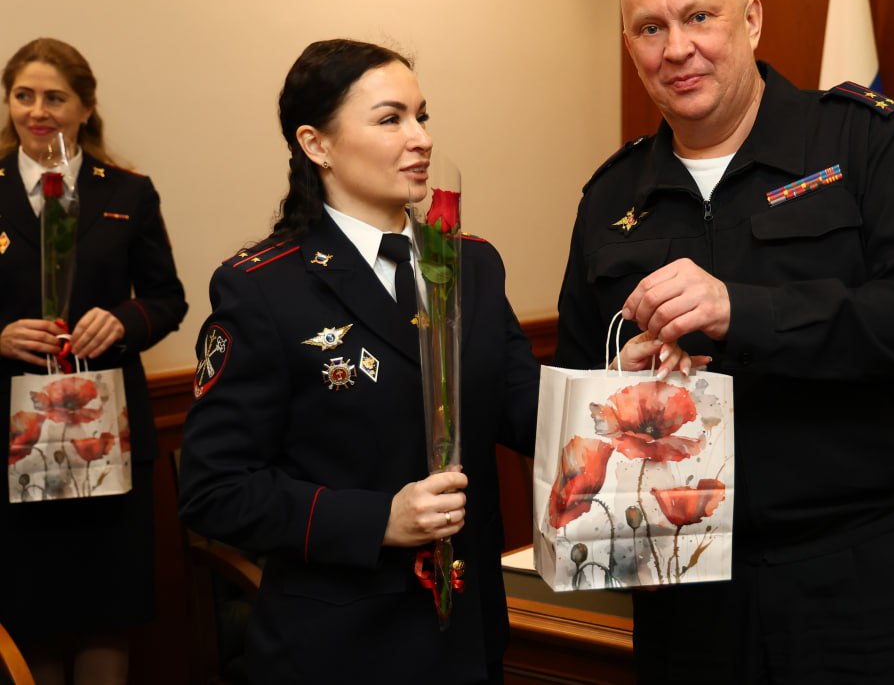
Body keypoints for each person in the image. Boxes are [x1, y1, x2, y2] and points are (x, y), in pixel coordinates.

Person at [554, 0, 894, 683]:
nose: (678, 48)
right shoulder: (610, 196)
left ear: (751, 20)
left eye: (700, 17)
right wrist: (619, 382)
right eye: (652, 28)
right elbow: (578, 383)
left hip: (853, 579)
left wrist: (743, 311)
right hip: (682, 591)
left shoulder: (859, 140)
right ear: (631, 47)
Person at [178, 39, 539, 684]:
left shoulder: (472, 264)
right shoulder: (264, 287)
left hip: (469, 634)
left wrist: (620, 383)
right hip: (340, 647)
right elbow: (215, 491)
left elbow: (526, 411)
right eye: (390, 119)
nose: (421, 138)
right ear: (316, 144)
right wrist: (379, 521)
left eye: (421, 116)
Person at [0, 38, 188, 685]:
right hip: (15, 442)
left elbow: (168, 298)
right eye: (23, 95)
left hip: (108, 438)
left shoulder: (130, 193)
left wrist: (124, 321)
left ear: (85, 106)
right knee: (31, 614)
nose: (37, 110)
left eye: (55, 97)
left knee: (109, 611)